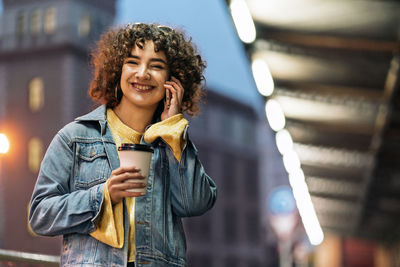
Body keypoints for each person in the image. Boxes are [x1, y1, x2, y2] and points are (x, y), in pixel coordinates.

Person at [29, 23, 217, 267]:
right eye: (133, 62)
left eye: (156, 66)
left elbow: (196, 203)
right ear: (117, 69)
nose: (142, 74)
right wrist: (104, 195)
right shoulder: (74, 137)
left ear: (173, 81)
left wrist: (173, 129)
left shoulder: (173, 141)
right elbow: (40, 215)